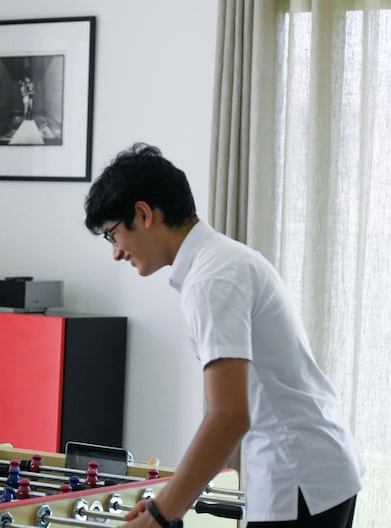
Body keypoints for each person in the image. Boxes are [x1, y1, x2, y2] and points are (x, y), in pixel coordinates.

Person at [84, 143, 364, 527]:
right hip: (313, 469)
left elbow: (230, 415)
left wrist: (161, 513)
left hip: (299, 478)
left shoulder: (213, 277)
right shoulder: (221, 260)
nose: (116, 252)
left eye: (113, 235)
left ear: (144, 213)